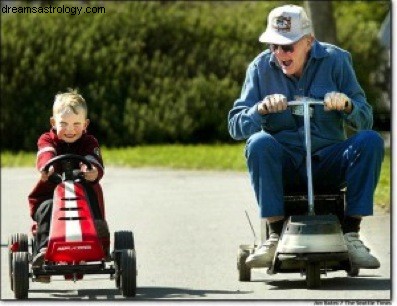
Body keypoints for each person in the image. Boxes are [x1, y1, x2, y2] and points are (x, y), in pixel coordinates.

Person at [228, 5, 384, 269]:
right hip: (285, 164)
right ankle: (275, 235)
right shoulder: (259, 68)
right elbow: (235, 126)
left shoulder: (337, 60)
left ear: (309, 41)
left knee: (370, 141)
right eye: (273, 46)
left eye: (287, 47)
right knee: (259, 142)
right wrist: (259, 109)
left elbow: (366, 118)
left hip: (328, 163)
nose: (279, 54)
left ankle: (352, 234)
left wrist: (347, 106)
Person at [28, 89, 110, 270]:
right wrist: (47, 166)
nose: (70, 130)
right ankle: (43, 250)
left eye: (76, 124)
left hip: (83, 192)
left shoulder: (89, 141)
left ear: (85, 124)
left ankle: (98, 236)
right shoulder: (47, 139)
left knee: (89, 196)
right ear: (53, 122)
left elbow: (92, 158)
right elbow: (46, 152)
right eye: (63, 123)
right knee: (47, 207)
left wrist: (91, 170)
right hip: (51, 191)